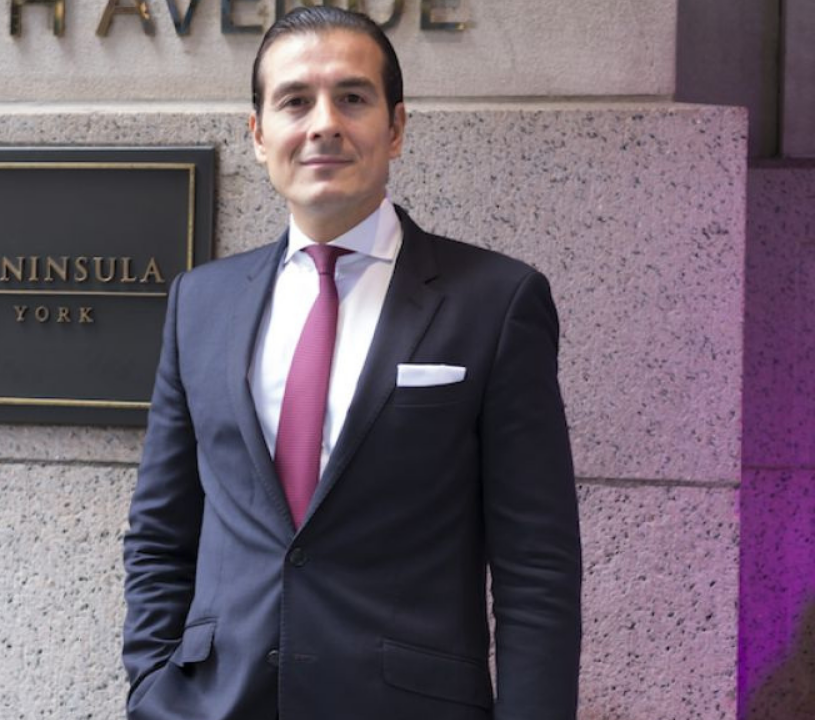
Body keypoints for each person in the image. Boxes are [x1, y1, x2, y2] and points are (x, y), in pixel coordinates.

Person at [121, 7, 582, 720]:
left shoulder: (495, 301)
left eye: (352, 97)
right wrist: (152, 686)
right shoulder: (199, 303)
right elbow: (161, 532)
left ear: (395, 128)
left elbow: (537, 565)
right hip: (212, 704)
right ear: (258, 134)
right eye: (295, 101)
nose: (324, 124)